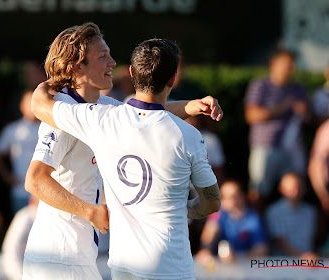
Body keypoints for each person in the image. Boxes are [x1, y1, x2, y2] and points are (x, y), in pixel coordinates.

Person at [24, 23, 222, 280]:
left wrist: (191, 106)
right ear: (78, 66)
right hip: (56, 258)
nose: (112, 62)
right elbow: (35, 180)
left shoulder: (101, 108)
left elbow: (146, 115)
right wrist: (89, 211)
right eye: (102, 56)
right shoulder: (62, 113)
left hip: (79, 256)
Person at [244, 49, 308, 208]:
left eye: (291, 65)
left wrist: (305, 112)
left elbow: (308, 118)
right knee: (259, 192)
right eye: (285, 64)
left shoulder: (298, 88)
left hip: (292, 148)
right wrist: (282, 108)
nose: (289, 68)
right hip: (265, 147)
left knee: (294, 191)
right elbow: (252, 115)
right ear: (273, 64)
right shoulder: (260, 85)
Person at [196, 180, 267, 264]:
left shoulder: (253, 219)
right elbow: (209, 234)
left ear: (242, 196)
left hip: (245, 268)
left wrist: (237, 257)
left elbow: (261, 249)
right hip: (218, 266)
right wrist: (205, 250)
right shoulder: (218, 214)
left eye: (232, 197)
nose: (227, 201)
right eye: (223, 197)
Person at [0, 90, 40, 214]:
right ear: (21, 106)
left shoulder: (50, 128)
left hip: (45, 193)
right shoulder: (12, 130)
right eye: (29, 103)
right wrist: (8, 177)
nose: (32, 106)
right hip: (20, 192)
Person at [266, 173, 317, 258]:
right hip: (283, 265)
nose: (296, 192)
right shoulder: (274, 212)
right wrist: (302, 256)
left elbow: (312, 239)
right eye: (292, 189)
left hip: (308, 265)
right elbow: (280, 241)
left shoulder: (310, 211)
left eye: (299, 187)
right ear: (282, 189)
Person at [1, 195, 39, 280]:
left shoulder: (51, 219)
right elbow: (11, 249)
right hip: (24, 272)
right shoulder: (24, 217)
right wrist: (20, 276)